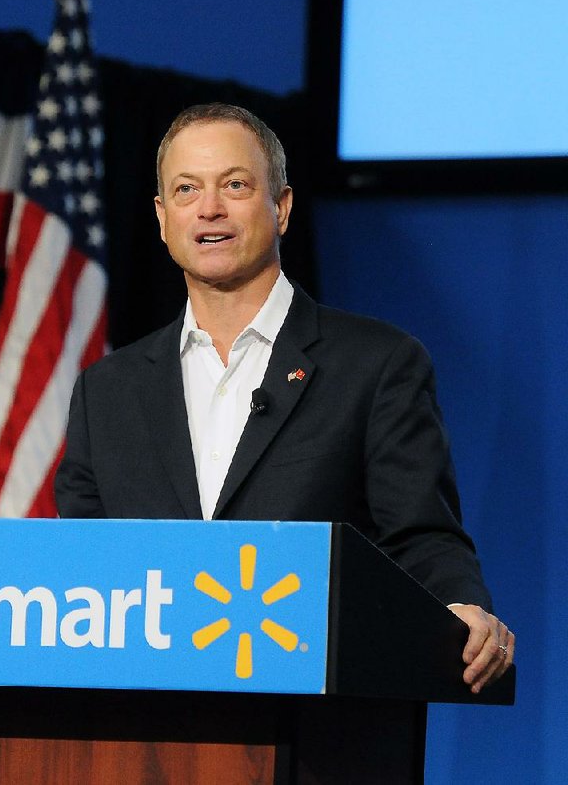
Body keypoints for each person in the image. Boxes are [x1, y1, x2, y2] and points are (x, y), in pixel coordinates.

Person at [55, 102, 514, 694]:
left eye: (236, 184)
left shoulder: (375, 364)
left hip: (313, 713)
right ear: (163, 218)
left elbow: (420, 533)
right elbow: (82, 564)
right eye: (187, 189)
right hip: (144, 720)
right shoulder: (107, 390)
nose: (210, 208)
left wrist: (459, 606)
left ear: (283, 207)